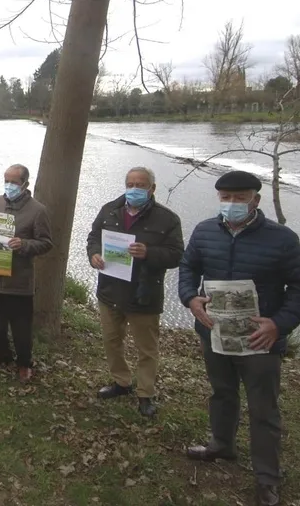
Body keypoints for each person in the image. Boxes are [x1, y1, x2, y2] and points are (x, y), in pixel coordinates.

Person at [178, 170, 300, 506]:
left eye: (240, 197)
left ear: (256, 199)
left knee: (263, 408)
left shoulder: (282, 238)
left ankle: (268, 478)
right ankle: (221, 445)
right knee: (222, 393)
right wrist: (190, 298)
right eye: (226, 197)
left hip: (259, 340)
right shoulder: (204, 230)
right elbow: (188, 267)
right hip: (214, 332)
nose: (232, 203)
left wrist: (279, 325)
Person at [86, 167, 184, 417]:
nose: (134, 188)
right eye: (130, 183)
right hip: (110, 290)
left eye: (140, 185)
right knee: (111, 341)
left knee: (146, 348)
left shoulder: (167, 219)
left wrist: (149, 253)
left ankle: (145, 394)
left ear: (152, 188)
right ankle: (121, 382)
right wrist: (94, 254)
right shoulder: (109, 209)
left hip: (144, 293)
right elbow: (93, 236)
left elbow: (177, 255)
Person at [0, 164, 53, 383]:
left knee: (21, 329)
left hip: (19, 281)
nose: (9, 186)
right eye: (6, 180)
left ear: (25, 184)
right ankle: (2, 354)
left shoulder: (38, 211)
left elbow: (46, 243)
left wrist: (24, 244)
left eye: (14, 182)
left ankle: (24, 364)